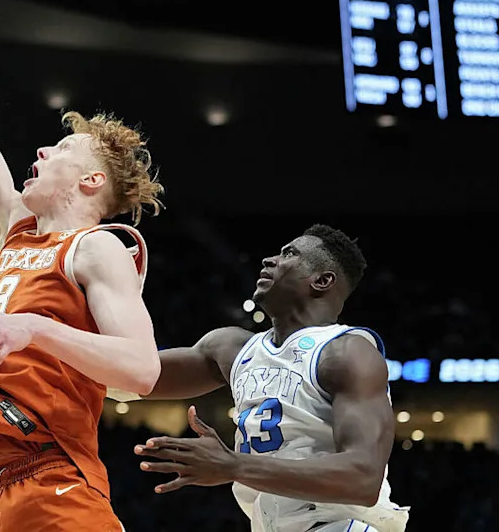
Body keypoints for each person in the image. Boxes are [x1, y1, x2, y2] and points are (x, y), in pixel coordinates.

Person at [0, 0, 164, 532]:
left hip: (52, 475)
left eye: (59, 149)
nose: (40, 150)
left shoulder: (97, 247)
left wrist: (30, 327)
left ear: (91, 180)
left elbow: (141, 367)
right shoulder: (18, 233)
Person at [132, 224, 409, 532]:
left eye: (289, 254)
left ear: (322, 280)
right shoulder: (232, 348)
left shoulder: (347, 352)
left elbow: (363, 478)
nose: (268, 260)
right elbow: (132, 374)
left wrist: (232, 465)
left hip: (342, 524)